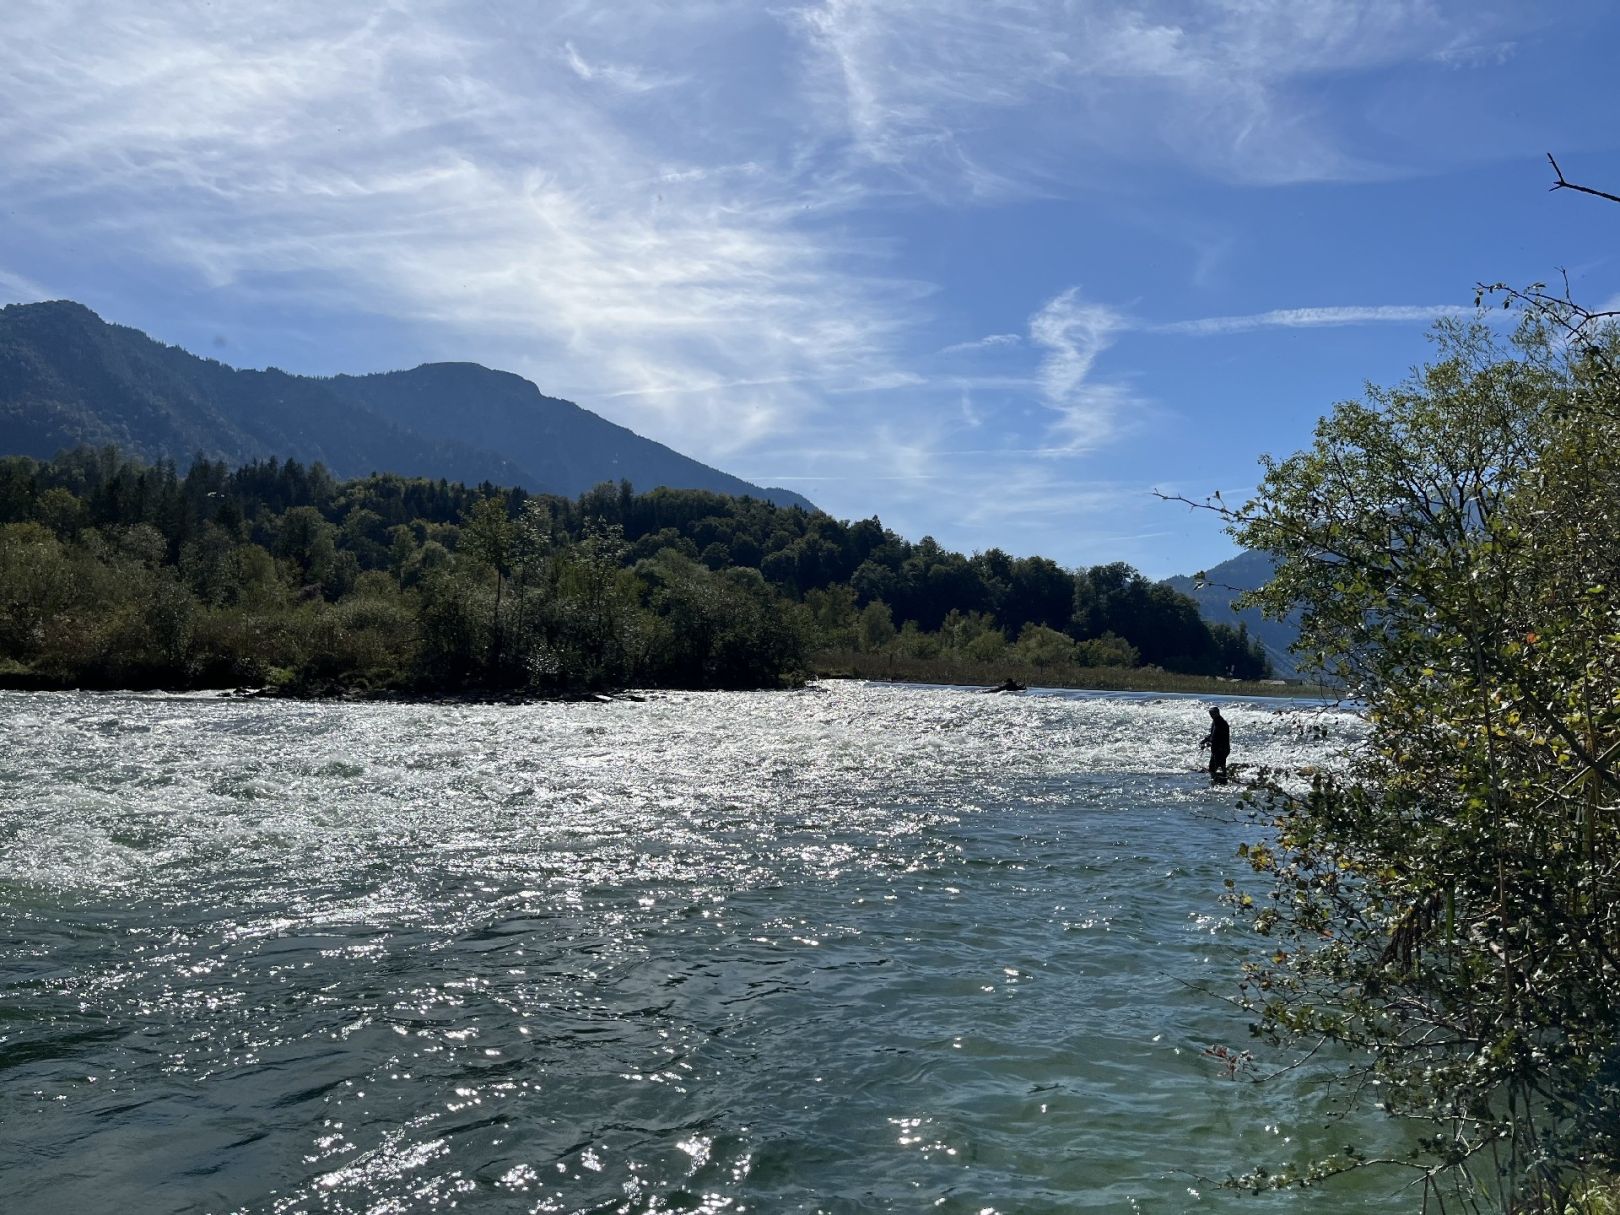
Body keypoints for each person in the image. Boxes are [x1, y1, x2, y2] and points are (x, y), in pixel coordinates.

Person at [1199, 706, 1231, 782]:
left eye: (1212, 713)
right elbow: (1212, 735)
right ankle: (1220, 780)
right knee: (1214, 768)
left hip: (1221, 750)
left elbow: (1216, 738)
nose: (1211, 715)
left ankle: (1222, 782)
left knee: (1216, 769)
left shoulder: (1221, 723)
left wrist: (1208, 743)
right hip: (1217, 750)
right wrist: (1204, 741)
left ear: (1217, 713)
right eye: (1211, 714)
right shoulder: (1215, 721)